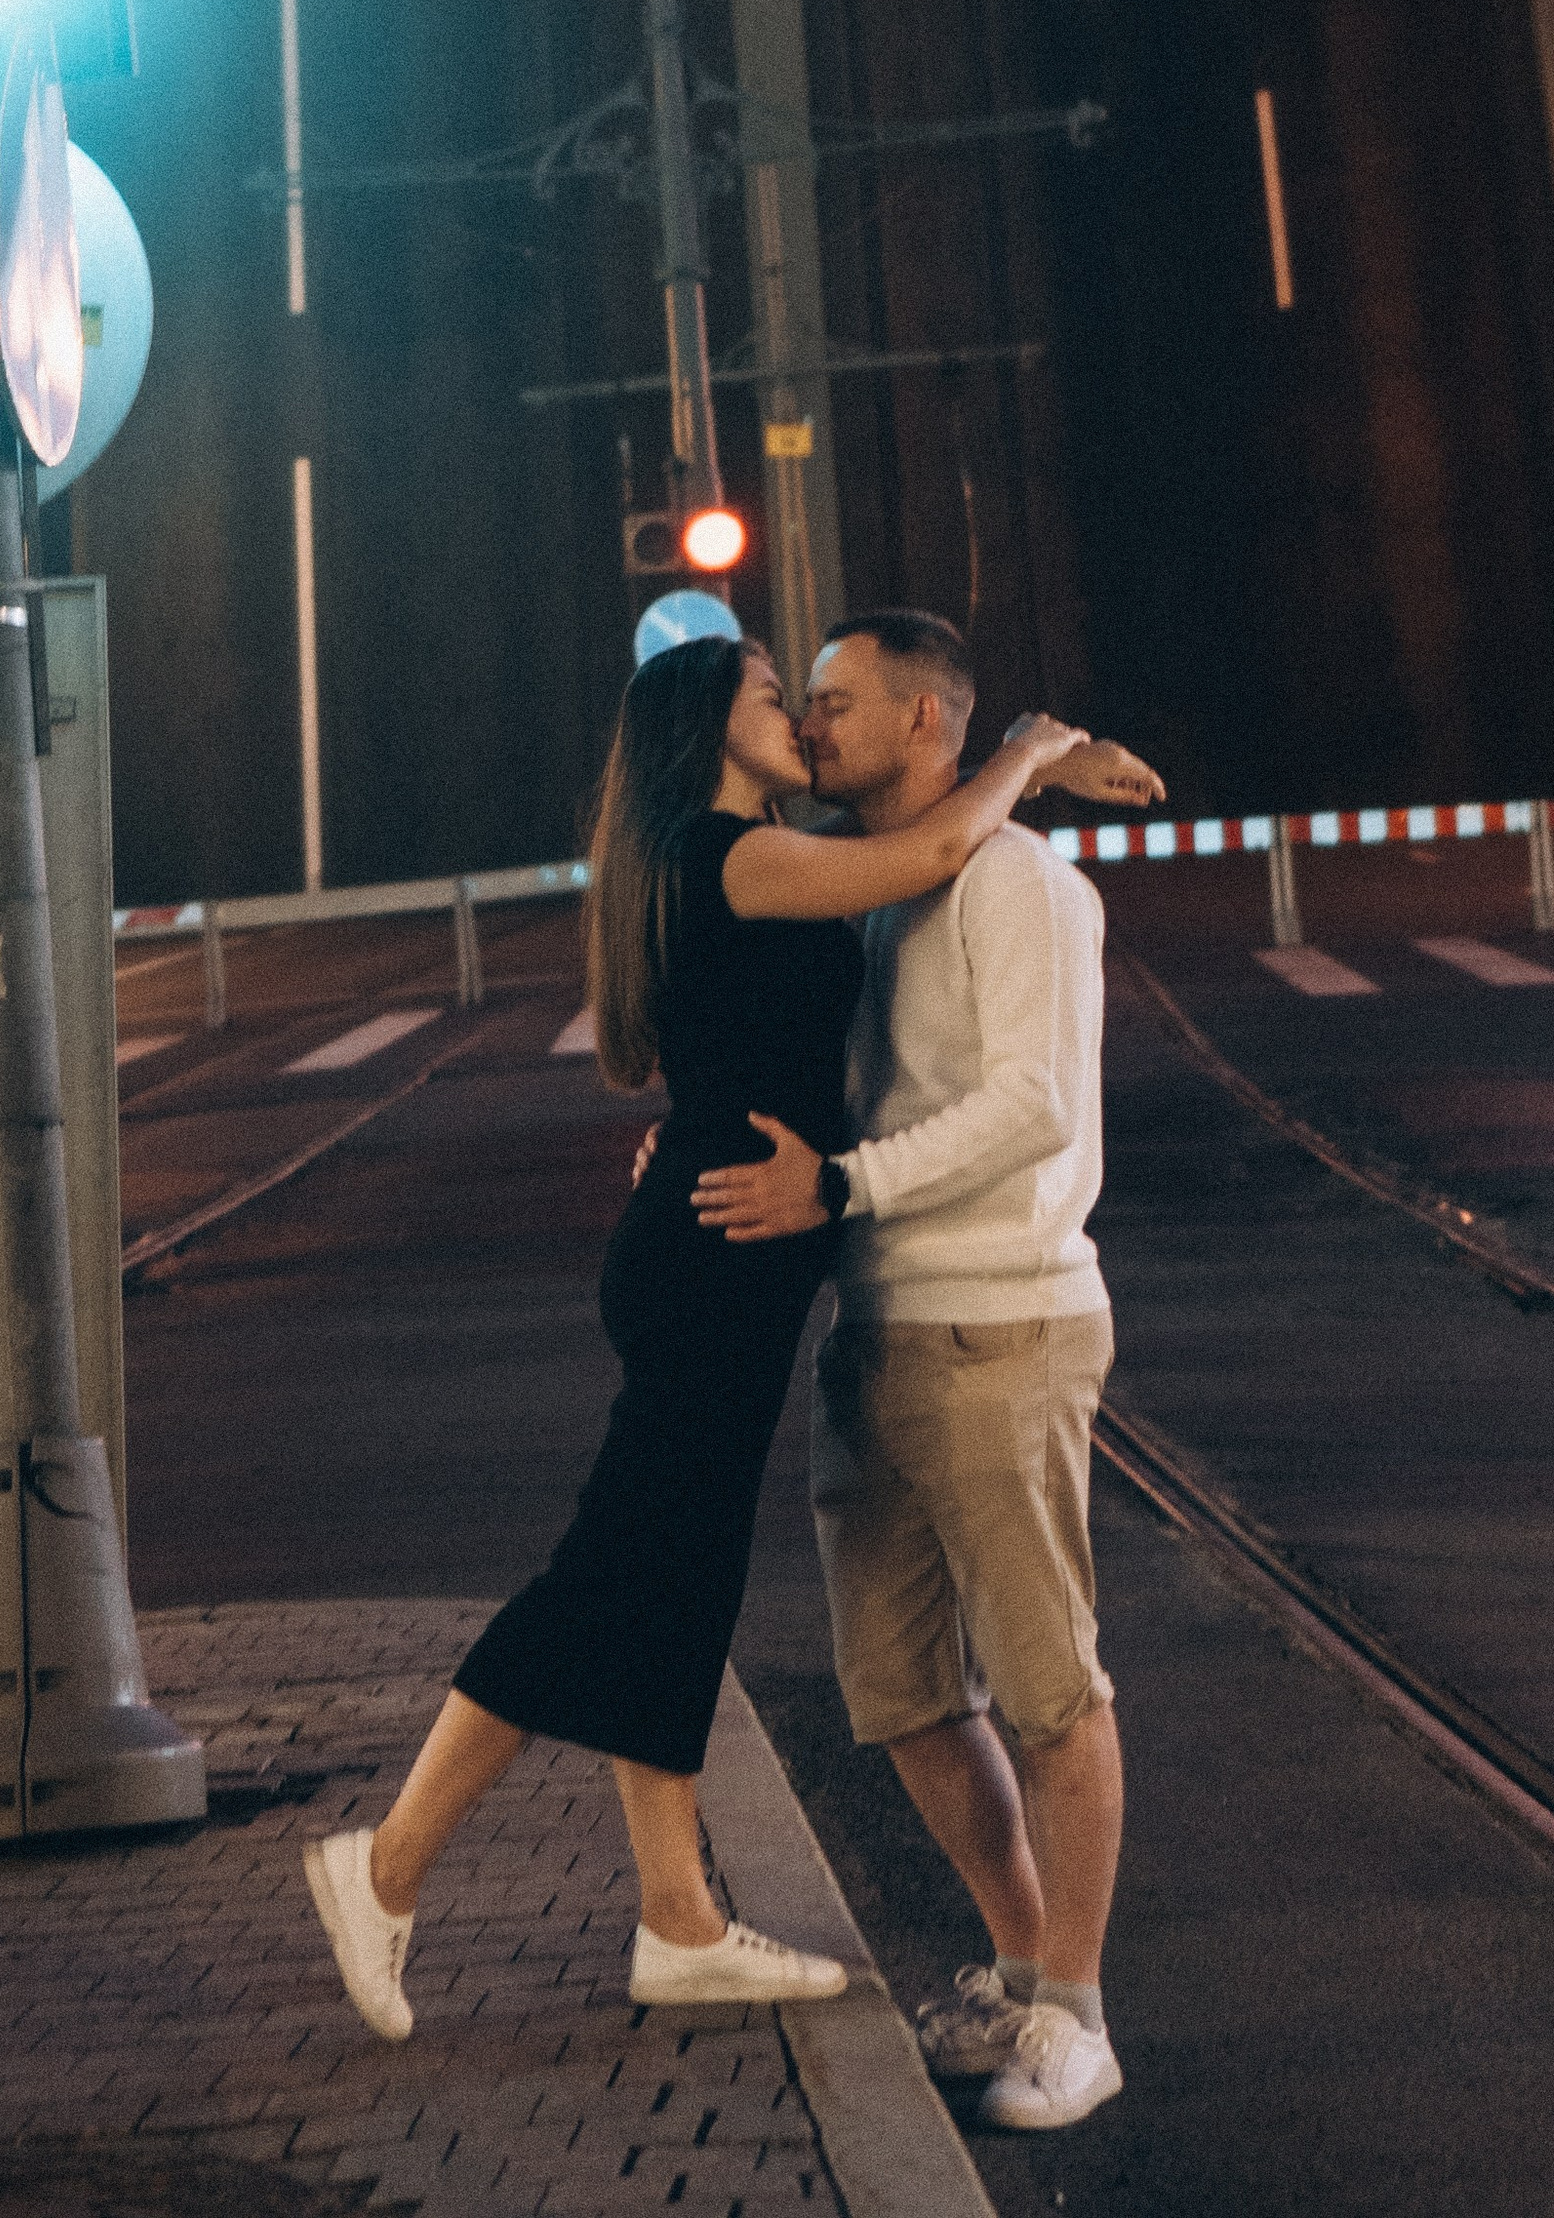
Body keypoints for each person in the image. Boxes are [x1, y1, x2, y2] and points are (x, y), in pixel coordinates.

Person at [302, 627, 1093, 2044]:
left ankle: (677, 1920)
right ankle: (386, 1865)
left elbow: (806, 1001)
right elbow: (928, 852)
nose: (799, 718)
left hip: (721, 1244)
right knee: (613, 1570)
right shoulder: (732, 854)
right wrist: (1030, 752)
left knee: (675, 1575)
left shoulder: (733, 855)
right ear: (709, 725)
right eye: (776, 697)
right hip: (719, 1253)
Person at [694, 610, 1147, 2134]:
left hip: (1002, 1322)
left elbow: (1033, 1106)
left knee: (1050, 1687)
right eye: (804, 701)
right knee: (897, 1694)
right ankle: (1021, 1968)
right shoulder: (882, 889)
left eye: (835, 701)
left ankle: (1079, 2016)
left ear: (926, 723)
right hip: (876, 1325)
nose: (810, 725)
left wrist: (846, 1186)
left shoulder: (1017, 883)